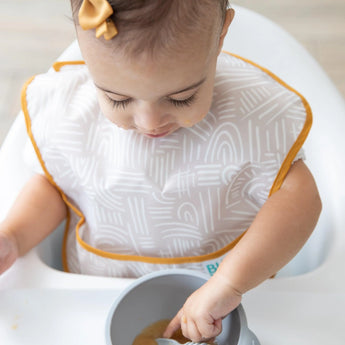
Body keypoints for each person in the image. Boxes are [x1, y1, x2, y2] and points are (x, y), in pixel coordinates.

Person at [0, 0, 321, 342]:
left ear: (222, 34)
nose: (149, 122)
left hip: (225, 296)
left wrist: (230, 283)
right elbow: (58, 188)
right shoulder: (73, 116)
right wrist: (14, 236)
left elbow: (301, 199)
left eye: (181, 98)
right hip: (101, 291)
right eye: (118, 100)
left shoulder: (252, 120)